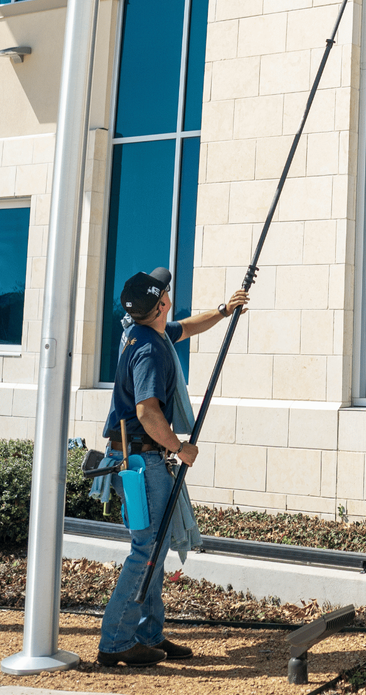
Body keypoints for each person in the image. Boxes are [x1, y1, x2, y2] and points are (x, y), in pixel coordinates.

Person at [95, 267, 250, 668]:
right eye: (166, 294)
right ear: (161, 304)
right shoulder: (148, 349)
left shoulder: (144, 331)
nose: (169, 297)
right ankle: (115, 642)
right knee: (145, 549)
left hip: (141, 457)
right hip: (144, 460)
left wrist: (223, 309)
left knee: (155, 547)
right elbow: (147, 412)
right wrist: (179, 447)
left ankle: (149, 634)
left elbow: (188, 327)